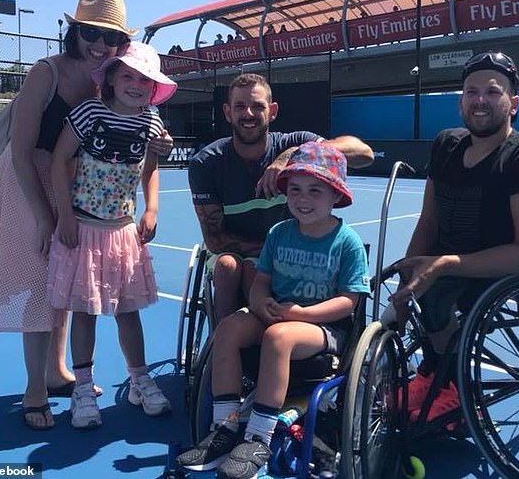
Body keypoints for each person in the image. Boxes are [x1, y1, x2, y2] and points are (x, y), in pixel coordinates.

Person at [0, 0, 147, 431]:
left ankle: (57, 372)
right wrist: (46, 214)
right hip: (27, 182)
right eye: (91, 33)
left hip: (72, 184)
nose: (100, 44)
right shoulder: (47, 72)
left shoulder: (112, 78)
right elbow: (22, 151)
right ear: (74, 31)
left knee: (65, 278)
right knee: (35, 281)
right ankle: (34, 389)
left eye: (111, 37)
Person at [387, 51, 519, 424]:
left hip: (511, 266)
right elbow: (429, 223)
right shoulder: (446, 145)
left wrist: (443, 266)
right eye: (471, 91)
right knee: (415, 288)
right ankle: (435, 372)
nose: (480, 100)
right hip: (453, 259)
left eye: (492, 92)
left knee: (437, 292)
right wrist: (407, 278)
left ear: (513, 104)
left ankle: (455, 389)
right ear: (460, 101)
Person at [177, 141, 370, 478]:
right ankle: (226, 426)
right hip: (278, 313)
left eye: (314, 191)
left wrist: (300, 314)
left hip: (322, 327)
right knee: (229, 327)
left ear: (336, 196)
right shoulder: (279, 233)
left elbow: (348, 302)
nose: (303, 199)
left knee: (280, 337)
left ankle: (258, 436)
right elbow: (262, 280)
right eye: (294, 190)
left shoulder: (346, 242)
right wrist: (257, 302)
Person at [46, 41, 177, 429]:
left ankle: (139, 380)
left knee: (127, 312)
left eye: (144, 79)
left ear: (153, 87)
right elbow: (59, 160)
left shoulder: (151, 121)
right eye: (128, 76)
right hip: (83, 229)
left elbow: (151, 167)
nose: (136, 84)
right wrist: (65, 216)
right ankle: (83, 388)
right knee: (84, 311)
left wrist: (152, 208)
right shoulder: (89, 112)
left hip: (122, 232)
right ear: (112, 79)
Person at [188, 73, 373, 323]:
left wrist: (295, 155)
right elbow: (215, 240)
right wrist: (270, 255)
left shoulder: (295, 143)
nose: (249, 114)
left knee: (254, 272)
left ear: (272, 111)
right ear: (227, 112)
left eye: (257, 106)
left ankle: (263, 347)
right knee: (229, 267)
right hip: (252, 252)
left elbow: (364, 153)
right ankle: (220, 342)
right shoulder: (206, 163)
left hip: (292, 249)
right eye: (240, 106)